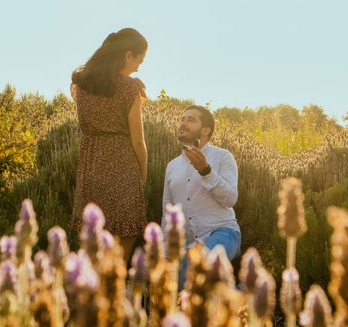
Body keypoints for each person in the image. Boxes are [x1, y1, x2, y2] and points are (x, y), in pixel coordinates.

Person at [70, 28, 148, 263]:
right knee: (127, 231)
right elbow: (138, 139)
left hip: (91, 161)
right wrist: (142, 174)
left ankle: (93, 283)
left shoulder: (82, 85)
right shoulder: (129, 88)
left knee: (95, 232)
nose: (138, 68)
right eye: (139, 60)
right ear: (127, 55)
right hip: (121, 162)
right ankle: (112, 282)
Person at [162, 105, 241, 291]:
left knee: (200, 268)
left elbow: (230, 199)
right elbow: (167, 212)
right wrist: (166, 254)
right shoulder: (172, 166)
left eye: (190, 119)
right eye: (182, 119)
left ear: (205, 130)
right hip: (188, 246)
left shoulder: (223, 157)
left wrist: (206, 171)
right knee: (183, 295)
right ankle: (242, 296)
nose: (183, 123)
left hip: (223, 233)